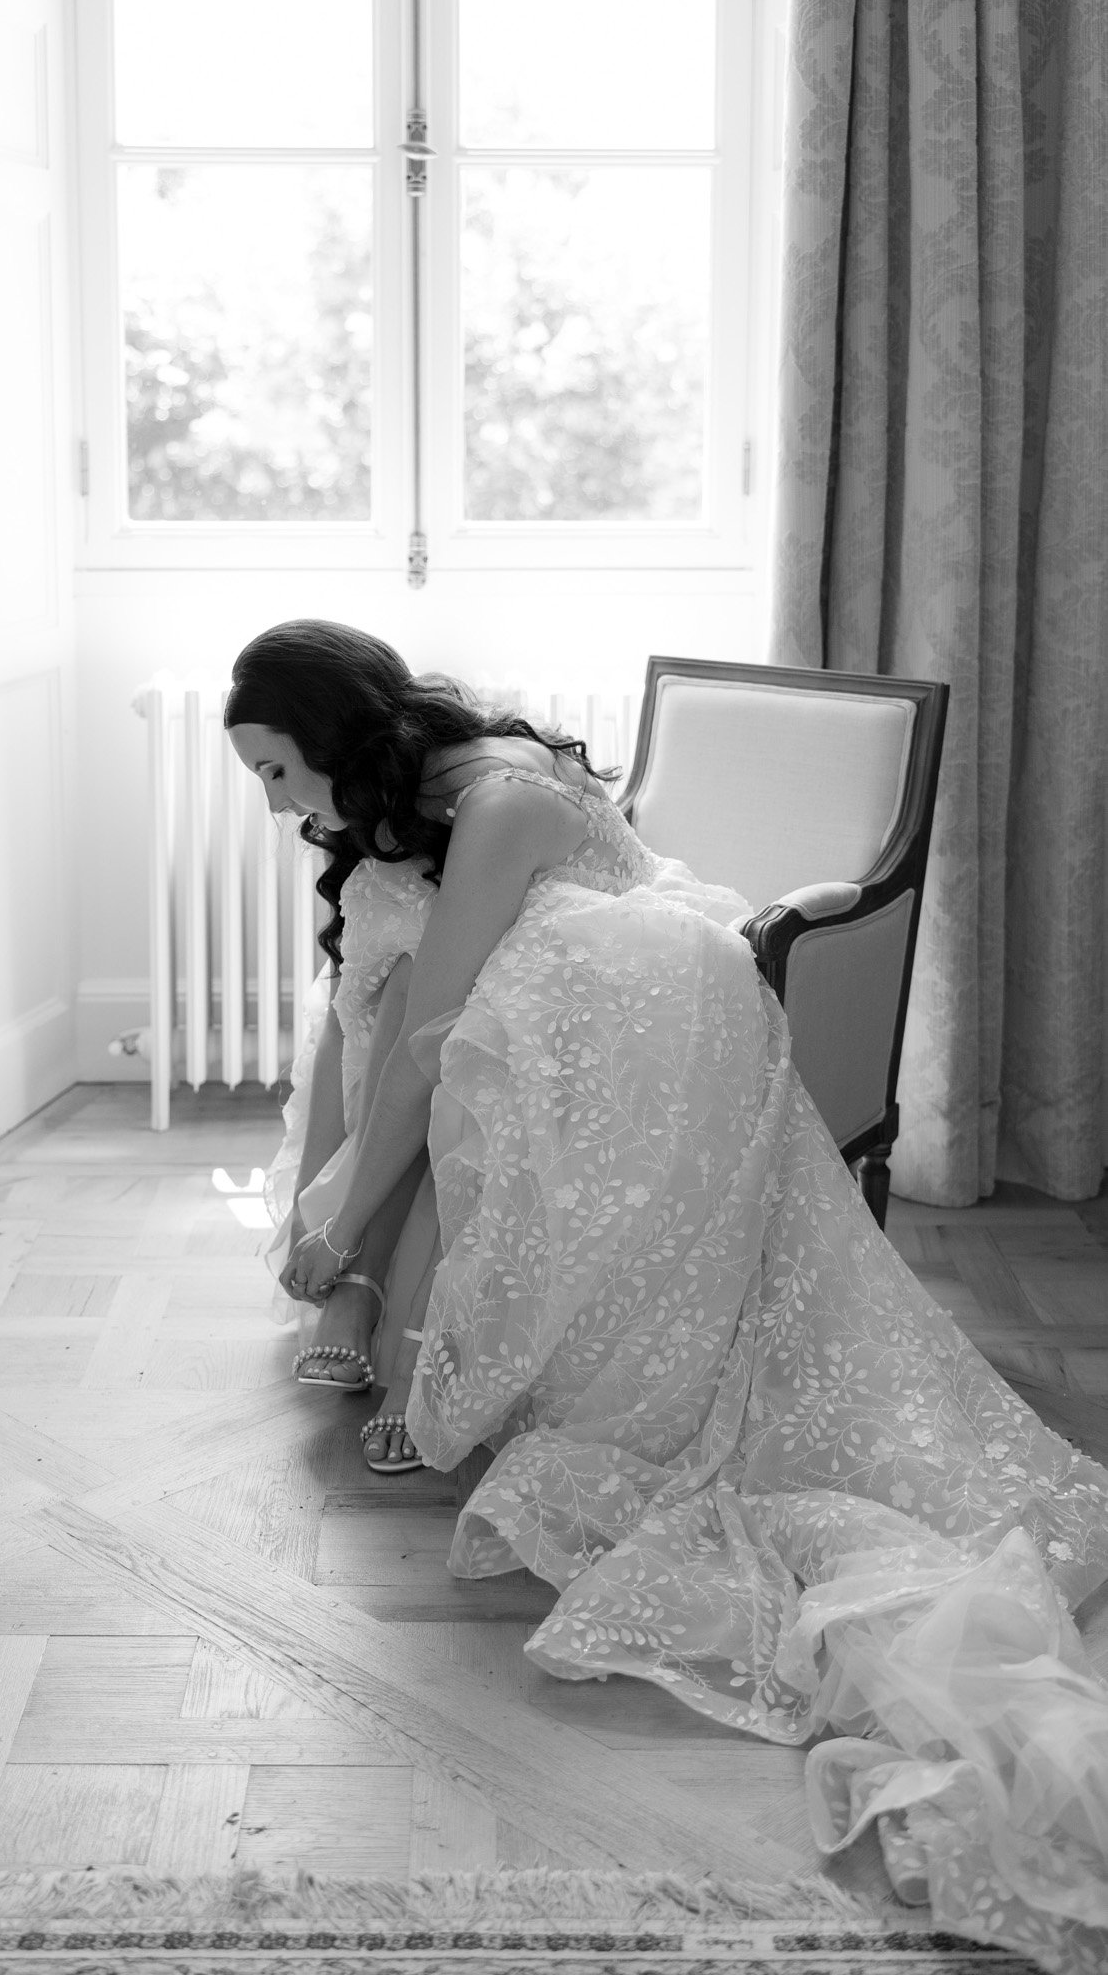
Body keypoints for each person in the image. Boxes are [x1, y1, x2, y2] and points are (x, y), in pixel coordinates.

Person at [226, 618, 1108, 1973]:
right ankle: (368, 1310)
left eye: (283, 774)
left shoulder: (503, 802)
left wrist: (337, 1197)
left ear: (343, 738)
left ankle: (381, 1295)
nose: (282, 810)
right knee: (381, 954)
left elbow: (441, 1021)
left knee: (443, 1027)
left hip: (648, 1003)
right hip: (572, 975)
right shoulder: (437, 791)